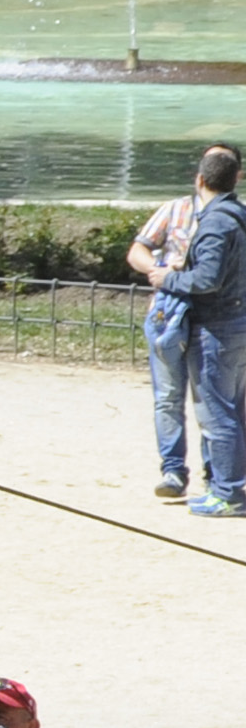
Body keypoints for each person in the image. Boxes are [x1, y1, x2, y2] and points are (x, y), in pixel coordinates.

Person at [142, 143, 246, 518]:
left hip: (216, 328)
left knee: (217, 414)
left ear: (199, 179)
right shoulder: (238, 214)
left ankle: (227, 494)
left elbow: (207, 278)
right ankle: (227, 487)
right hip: (236, 324)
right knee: (232, 410)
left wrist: (170, 277)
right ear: (236, 179)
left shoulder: (216, 220)